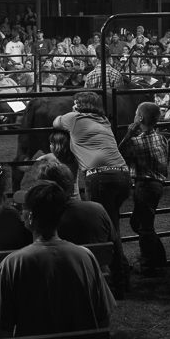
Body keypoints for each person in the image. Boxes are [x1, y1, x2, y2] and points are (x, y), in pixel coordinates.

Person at [0, 180, 117, 338]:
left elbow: (2, 331)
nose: (21, 210)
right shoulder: (85, 257)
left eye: (24, 207)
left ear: (31, 218)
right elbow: (103, 319)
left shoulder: (13, 264)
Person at [52, 90, 131, 297]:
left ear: (81, 105)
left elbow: (55, 122)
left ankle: (117, 278)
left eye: (75, 102)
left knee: (108, 228)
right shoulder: (104, 120)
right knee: (112, 223)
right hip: (123, 174)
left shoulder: (74, 119)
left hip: (99, 177)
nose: (73, 105)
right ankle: (121, 270)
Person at [118, 102, 169, 273]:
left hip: (144, 185)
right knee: (139, 222)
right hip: (157, 184)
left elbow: (119, 153)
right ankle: (158, 256)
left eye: (135, 113)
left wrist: (128, 134)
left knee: (145, 226)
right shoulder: (161, 138)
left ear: (140, 118)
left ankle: (148, 264)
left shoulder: (135, 141)